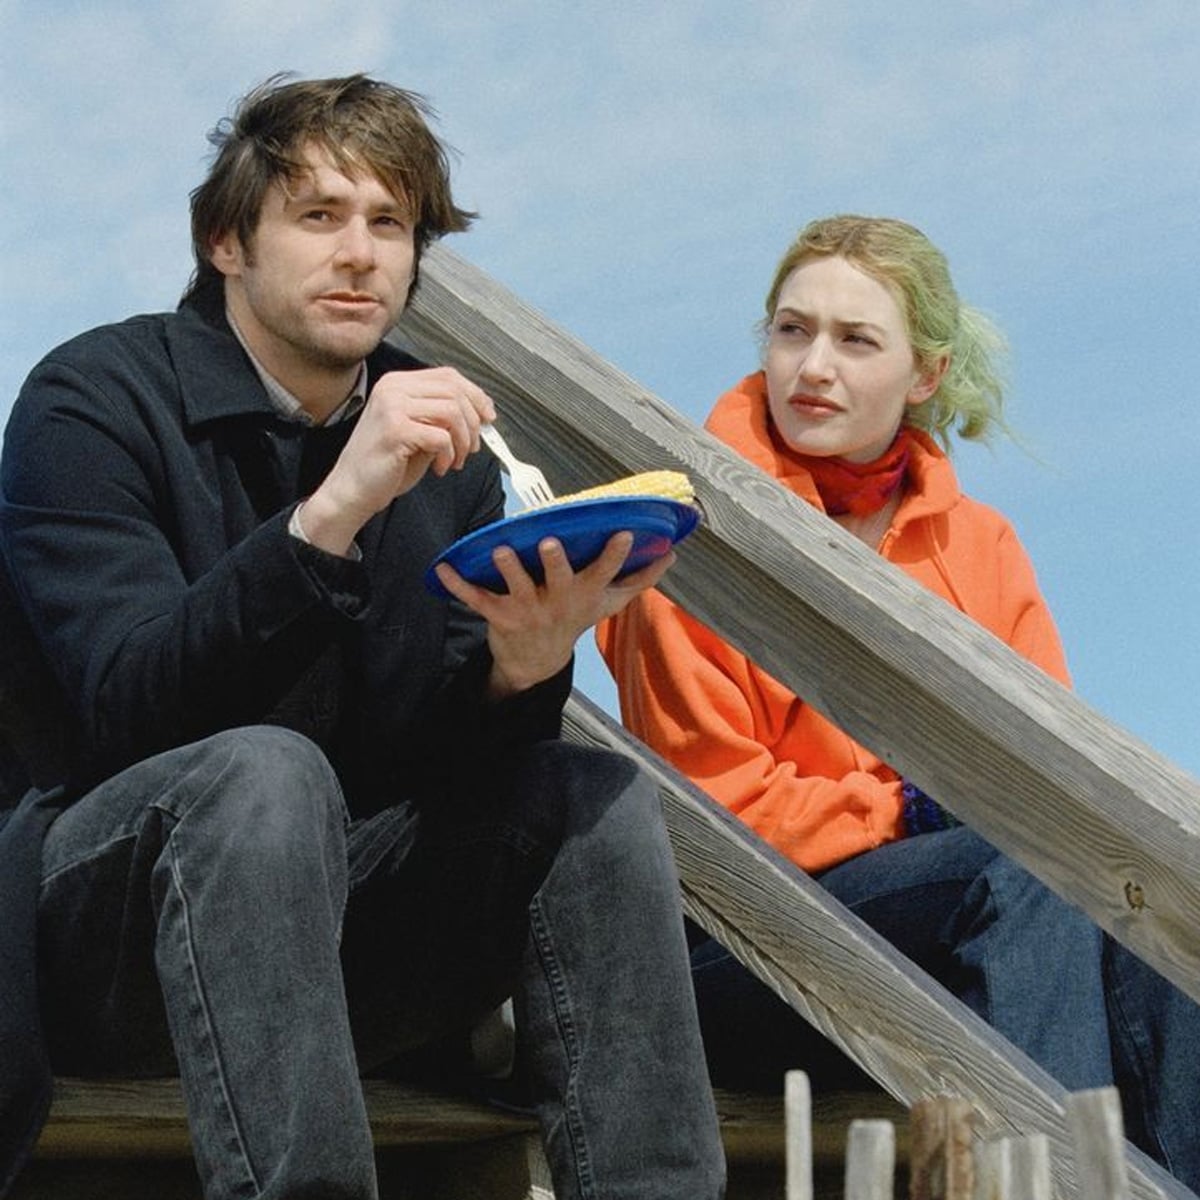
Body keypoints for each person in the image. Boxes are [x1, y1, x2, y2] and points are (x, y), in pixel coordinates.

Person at [0, 74, 726, 1200]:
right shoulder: (92, 398)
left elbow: (441, 778)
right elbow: (124, 705)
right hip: (109, 942)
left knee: (589, 792)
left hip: (343, 949)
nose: (360, 254)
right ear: (225, 241)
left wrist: (522, 670)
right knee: (263, 770)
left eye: (390, 224)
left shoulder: (448, 446)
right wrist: (328, 516)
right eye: (320, 216)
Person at [598, 214, 1200, 1189]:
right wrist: (910, 811)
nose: (813, 366)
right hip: (747, 940)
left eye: (855, 339)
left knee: (1147, 899)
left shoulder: (983, 545)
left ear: (924, 374)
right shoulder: (691, 532)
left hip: (962, 924)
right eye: (791, 331)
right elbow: (716, 808)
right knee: (1030, 873)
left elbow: (1059, 781)